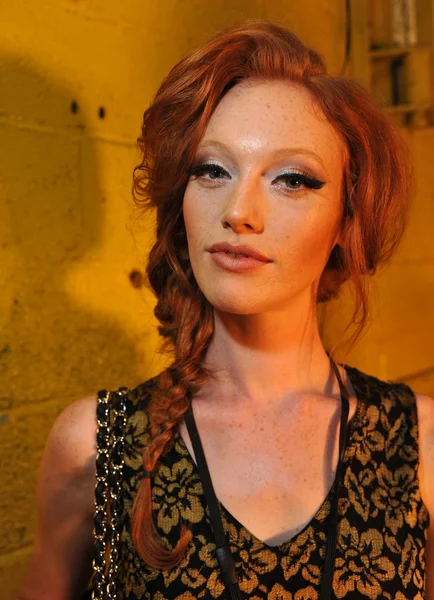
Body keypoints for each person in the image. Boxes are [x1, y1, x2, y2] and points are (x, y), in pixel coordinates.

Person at [15, 18, 433, 600]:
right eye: (212, 170)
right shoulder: (96, 445)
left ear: (346, 220)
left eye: (292, 179)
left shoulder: (420, 444)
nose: (240, 210)